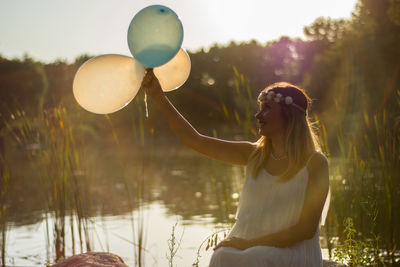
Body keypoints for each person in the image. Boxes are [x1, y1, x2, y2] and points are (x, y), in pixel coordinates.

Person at [141, 69, 329, 267]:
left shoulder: (315, 162)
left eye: (267, 108)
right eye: (260, 108)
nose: (258, 115)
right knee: (222, 255)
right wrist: (158, 96)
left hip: (294, 254)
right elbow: (195, 140)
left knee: (254, 257)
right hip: (252, 248)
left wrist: (248, 244)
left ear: (288, 115)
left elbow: (306, 230)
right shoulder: (254, 155)